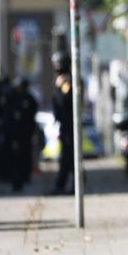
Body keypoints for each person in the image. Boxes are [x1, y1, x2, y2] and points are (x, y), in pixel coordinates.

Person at [3, 77, 38, 192]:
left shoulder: (28, 99)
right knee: (14, 160)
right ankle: (16, 181)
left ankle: (23, 179)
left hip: (25, 135)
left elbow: (31, 116)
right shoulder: (12, 99)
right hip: (14, 135)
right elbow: (8, 119)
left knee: (24, 159)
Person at [51, 51, 75, 195]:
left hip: (69, 125)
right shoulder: (62, 79)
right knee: (67, 157)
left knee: (68, 156)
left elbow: (64, 101)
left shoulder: (67, 81)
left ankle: (66, 184)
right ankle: (64, 184)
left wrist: (59, 88)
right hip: (64, 125)